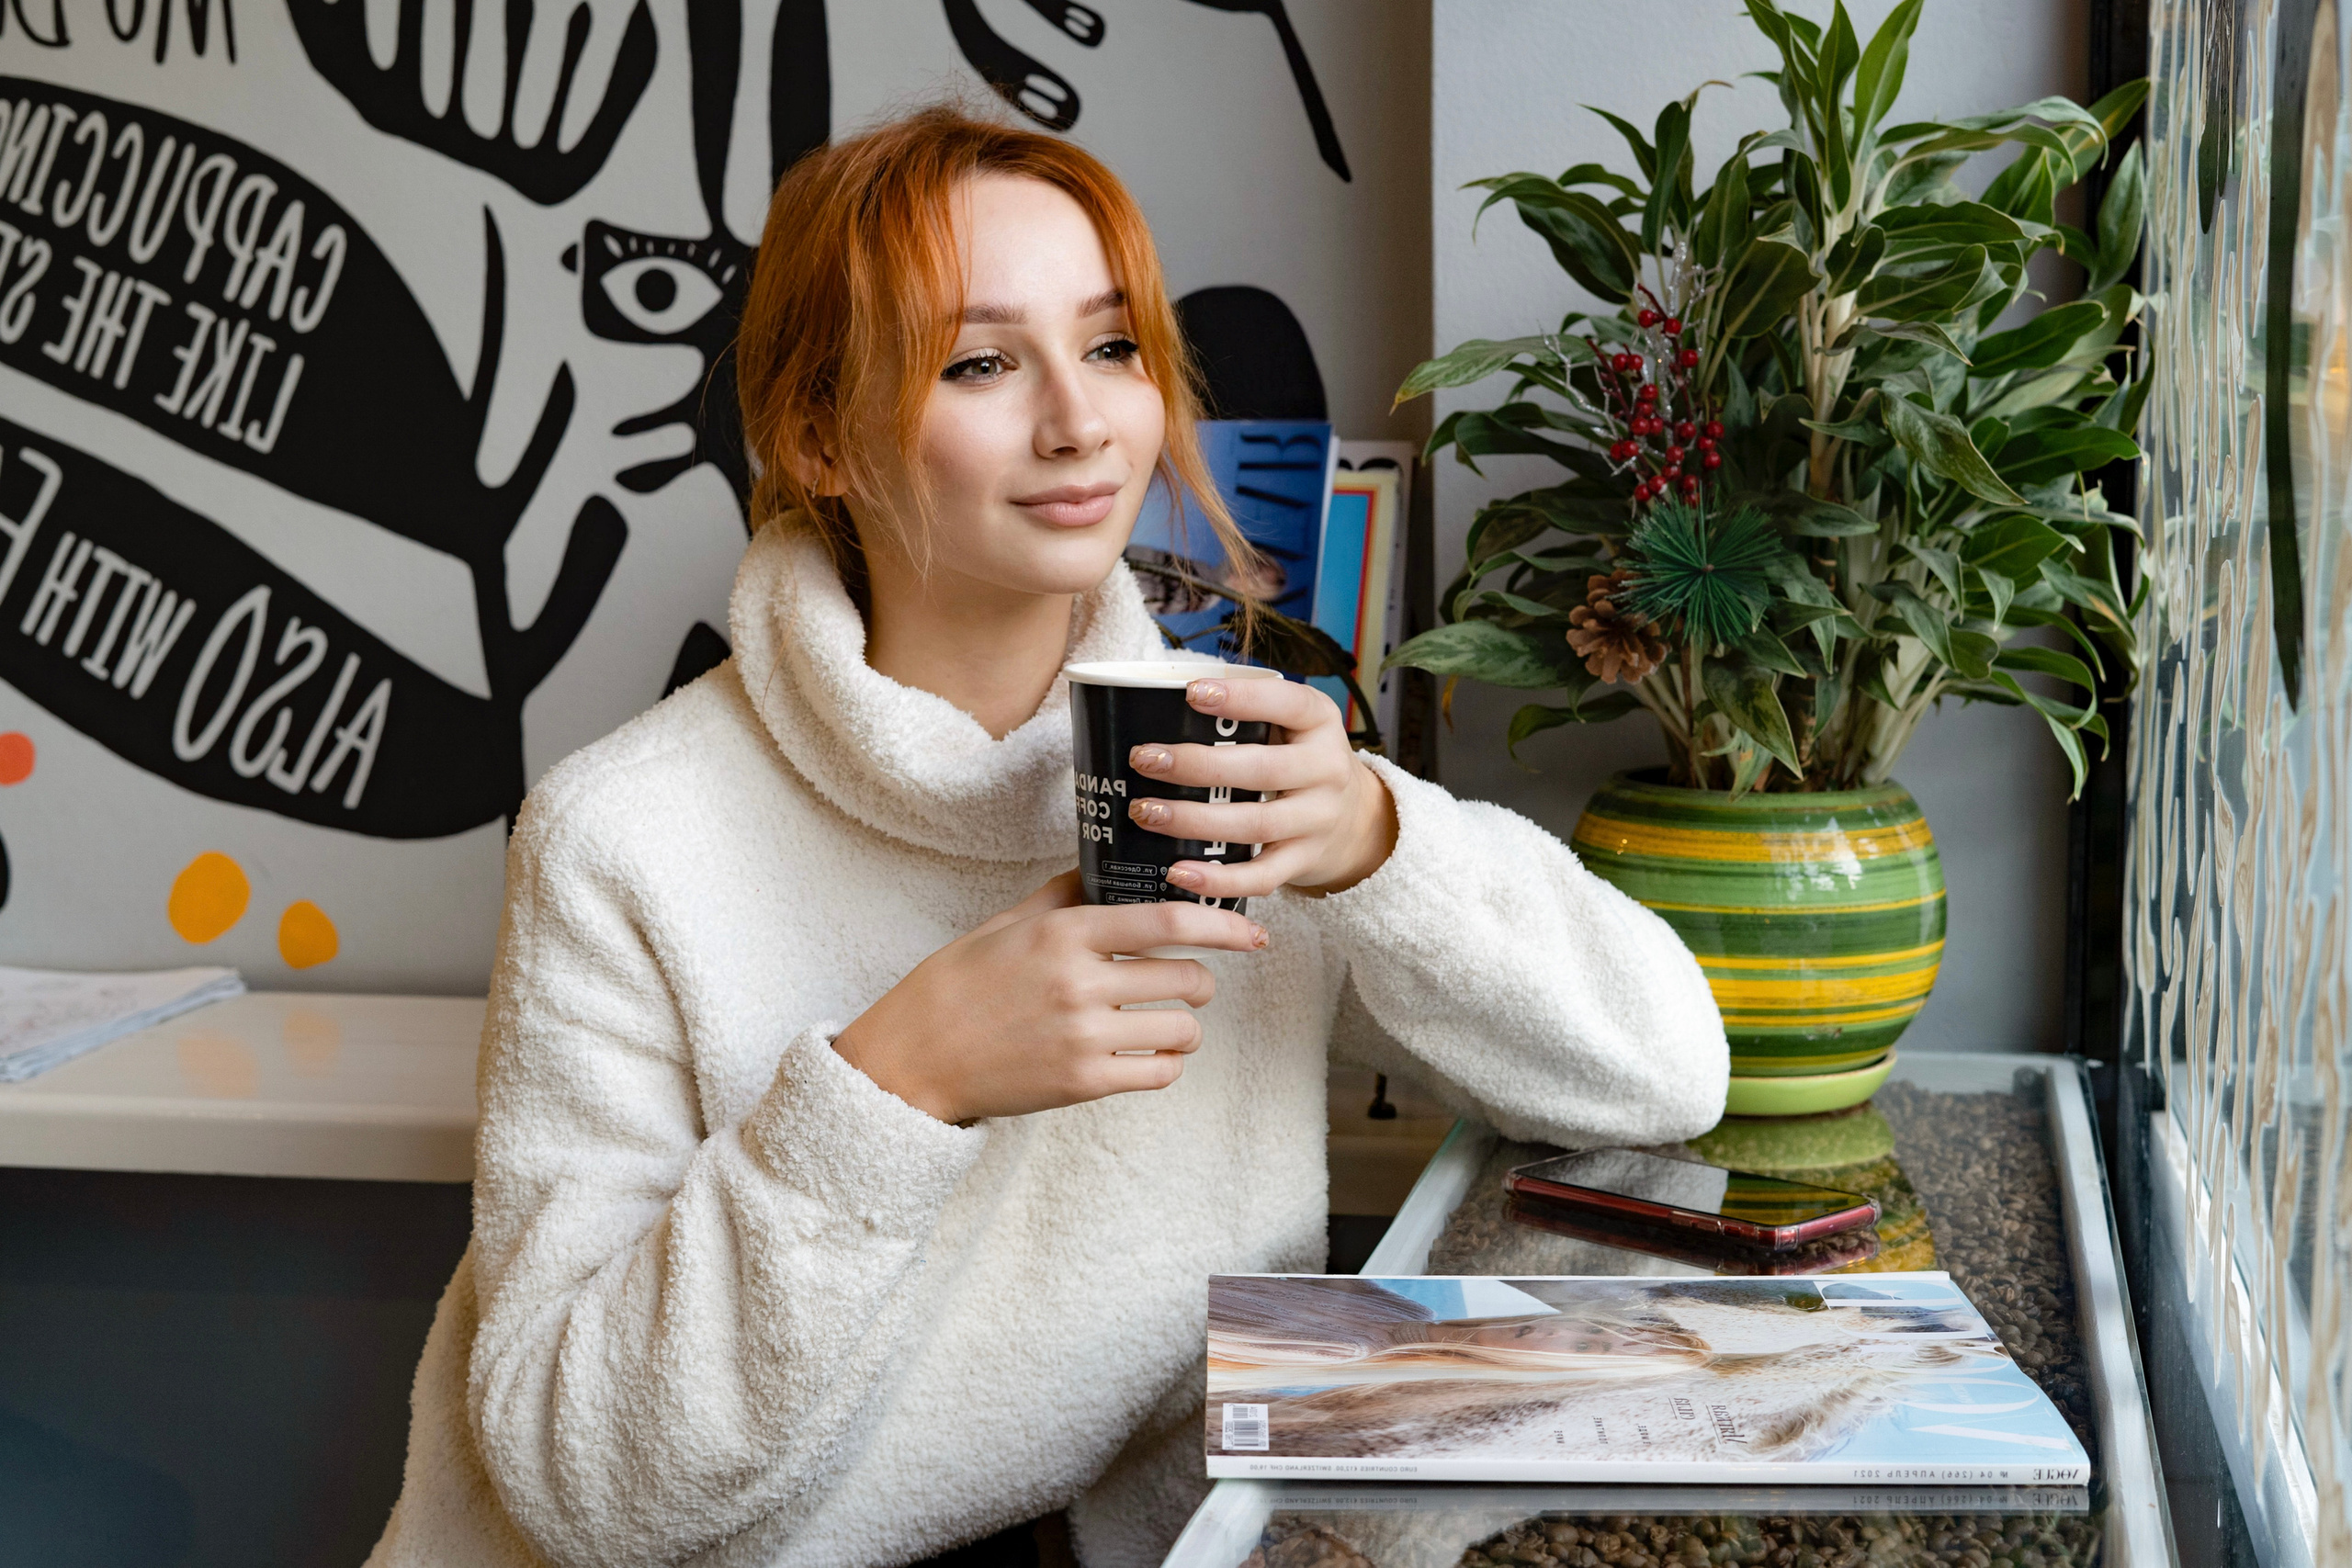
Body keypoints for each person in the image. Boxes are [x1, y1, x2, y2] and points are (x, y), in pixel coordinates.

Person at [365, 104, 1728, 1568]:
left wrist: (1379, 842)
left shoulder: (1228, 748)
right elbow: (587, 1492)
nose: (1082, 422)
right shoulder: (622, 836)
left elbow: (1664, 1076)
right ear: (819, 436)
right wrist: (899, 1082)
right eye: (980, 363)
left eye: (1112, 345)